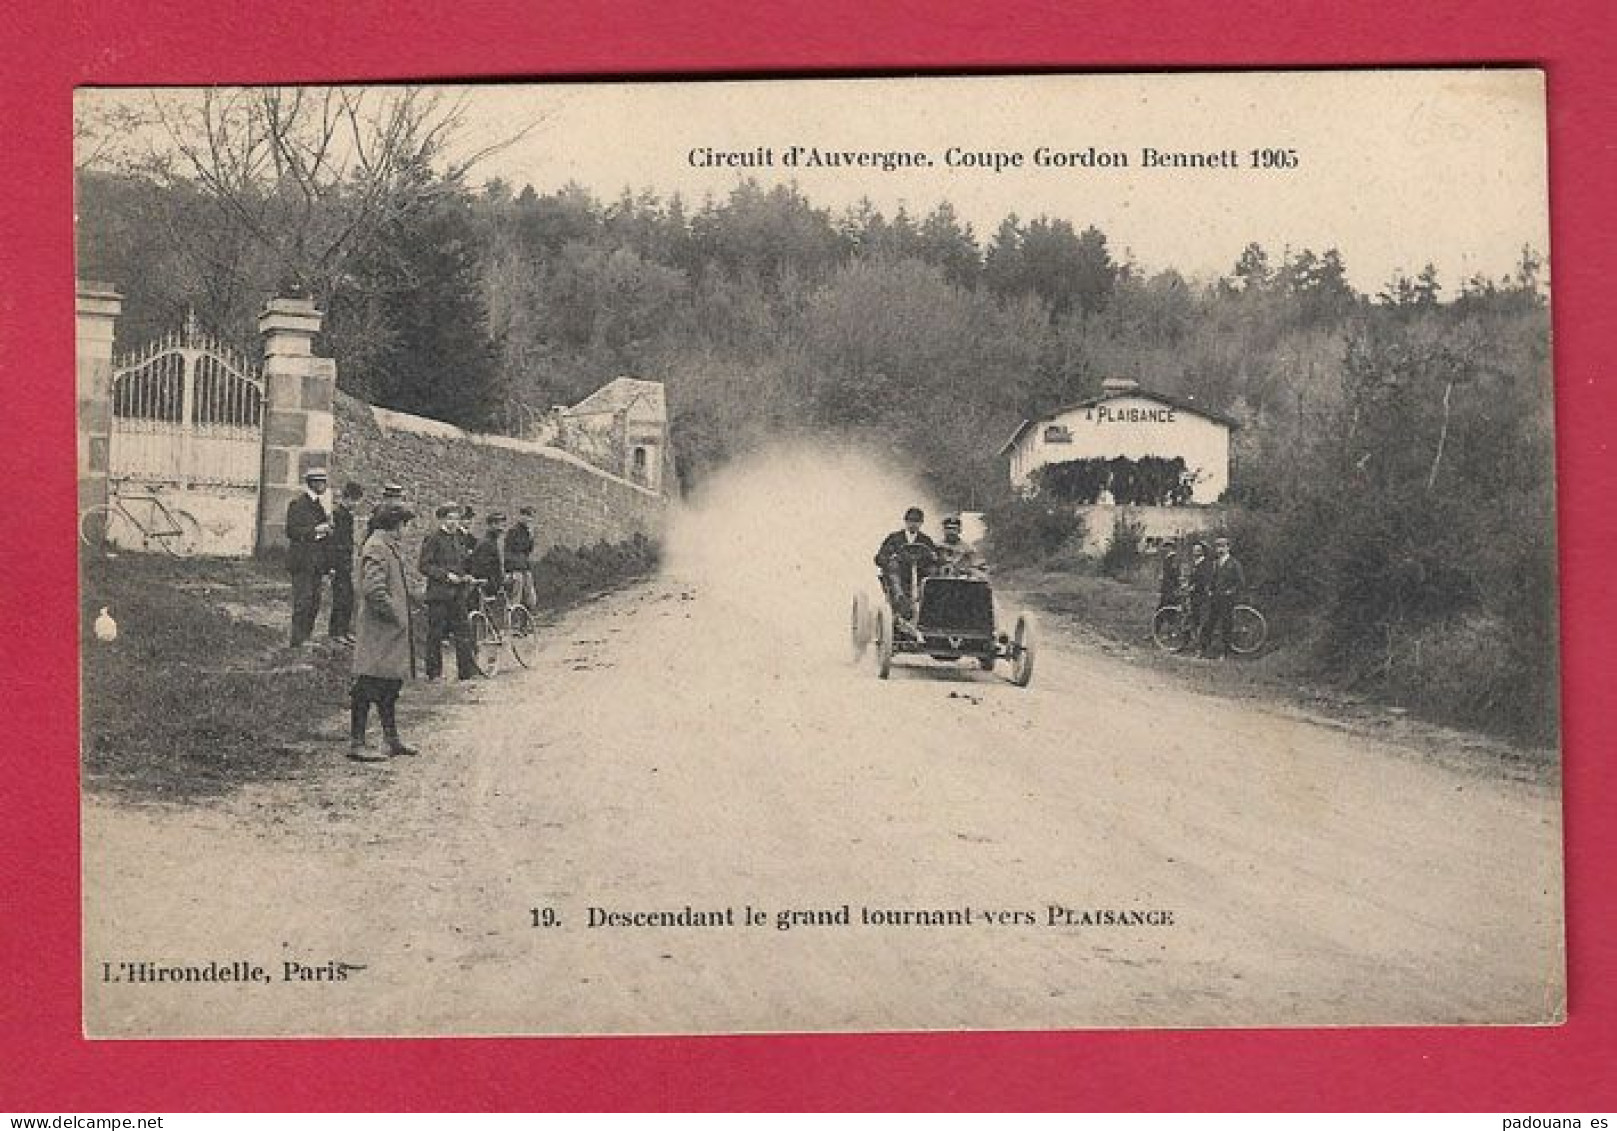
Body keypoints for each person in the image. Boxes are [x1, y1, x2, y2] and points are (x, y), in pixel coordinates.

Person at [349, 502, 419, 763]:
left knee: (389, 685)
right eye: (405, 524)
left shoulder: (385, 546)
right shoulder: (377, 547)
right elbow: (374, 590)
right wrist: (396, 615)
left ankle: (391, 740)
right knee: (367, 684)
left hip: (389, 633)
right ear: (395, 525)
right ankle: (357, 743)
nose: (406, 530)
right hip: (380, 632)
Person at [419, 503, 479, 681]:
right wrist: (446, 576)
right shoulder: (433, 538)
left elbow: (462, 562)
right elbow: (424, 566)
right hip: (439, 595)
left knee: (463, 631)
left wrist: (466, 575)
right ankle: (434, 673)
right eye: (450, 518)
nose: (454, 522)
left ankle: (465, 672)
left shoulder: (458, 539)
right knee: (436, 634)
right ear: (442, 519)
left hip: (458, 594)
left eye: (456, 518)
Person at [285, 468, 332, 647]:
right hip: (302, 561)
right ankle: (297, 641)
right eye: (321, 482)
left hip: (316, 563)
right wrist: (316, 531)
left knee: (314, 602)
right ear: (313, 483)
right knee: (302, 602)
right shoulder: (298, 504)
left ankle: (306, 637)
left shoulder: (318, 505)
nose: (324, 486)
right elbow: (291, 531)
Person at [874, 506, 938, 627]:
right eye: (910, 521)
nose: (913, 524)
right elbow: (880, 557)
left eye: (917, 521)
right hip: (899, 575)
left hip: (919, 574)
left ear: (921, 523)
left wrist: (932, 558)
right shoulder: (894, 538)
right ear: (906, 522)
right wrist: (889, 558)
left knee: (934, 571)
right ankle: (900, 598)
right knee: (893, 567)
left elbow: (934, 559)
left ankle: (927, 605)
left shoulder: (926, 540)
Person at [327, 481, 364, 643]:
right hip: (338, 563)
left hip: (345, 562)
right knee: (340, 597)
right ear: (346, 498)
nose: (356, 505)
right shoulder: (338, 515)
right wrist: (332, 566)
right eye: (354, 501)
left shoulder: (346, 515)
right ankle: (336, 632)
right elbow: (334, 543)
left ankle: (344, 630)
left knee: (348, 596)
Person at [1199, 536, 1247, 659]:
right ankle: (1203, 650)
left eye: (1223, 546)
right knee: (1209, 623)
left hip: (1228, 599)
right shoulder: (1216, 563)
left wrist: (1231, 591)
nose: (1220, 549)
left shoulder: (1234, 563)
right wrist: (1209, 589)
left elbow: (1241, 582)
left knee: (1226, 626)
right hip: (1216, 598)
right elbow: (1213, 580)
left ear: (1228, 548)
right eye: (1218, 547)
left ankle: (1224, 653)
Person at [467, 512, 508, 604]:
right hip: (487, 584)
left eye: (503, 525)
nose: (501, 528)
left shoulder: (492, 541)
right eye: (499, 525)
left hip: (492, 583)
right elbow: (482, 566)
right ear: (491, 525)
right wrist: (493, 581)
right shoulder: (487, 543)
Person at [504, 506, 539, 609]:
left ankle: (526, 619)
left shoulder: (527, 532)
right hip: (515, 567)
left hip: (524, 566)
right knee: (516, 597)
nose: (529, 519)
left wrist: (531, 537)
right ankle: (514, 619)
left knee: (531, 597)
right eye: (527, 516)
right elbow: (514, 549)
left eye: (531, 517)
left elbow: (528, 550)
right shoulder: (513, 531)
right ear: (521, 517)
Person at [1157, 538, 1182, 611]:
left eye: (1166, 546)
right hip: (1167, 585)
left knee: (1168, 604)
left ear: (1170, 547)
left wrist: (1173, 584)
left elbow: (1174, 573)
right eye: (1165, 546)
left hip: (1170, 586)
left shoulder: (1173, 558)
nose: (1164, 548)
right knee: (1165, 604)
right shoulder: (1168, 558)